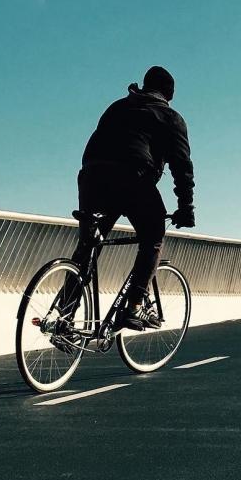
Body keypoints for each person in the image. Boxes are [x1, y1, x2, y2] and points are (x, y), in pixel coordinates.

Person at [70, 65, 195, 330]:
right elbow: (181, 166)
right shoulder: (170, 117)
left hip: (91, 176)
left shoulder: (117, 107)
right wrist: (186, 207)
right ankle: (134, 306)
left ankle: (64, 315)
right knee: (153, 235)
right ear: (169, 94)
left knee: (89, 245)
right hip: (132, 179)